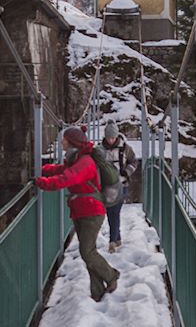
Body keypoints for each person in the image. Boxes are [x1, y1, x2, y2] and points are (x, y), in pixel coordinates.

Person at [36, 127, 119, 302]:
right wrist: (43, 170)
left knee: (87, 251)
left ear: (72, 142)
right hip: (81, 210)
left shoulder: (85, 162)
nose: (61, 142)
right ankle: (97, 292)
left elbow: (66, 178)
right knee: (88, 251)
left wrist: (42, 183)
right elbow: (62, 170)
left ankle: (111, 276)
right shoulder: (75, 158)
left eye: (64, 139)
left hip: (91, 211)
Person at [98, 123, 137, 251]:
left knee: (114, 211)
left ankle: (112, 242)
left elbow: (134, 161)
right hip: (107, 187)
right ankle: (117, 238)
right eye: (108, 137)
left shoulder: (125, 148)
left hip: (121, 184)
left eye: (113, 137)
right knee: (111, 213)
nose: (111, 140)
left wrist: (127, 171)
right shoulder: (100, 150)